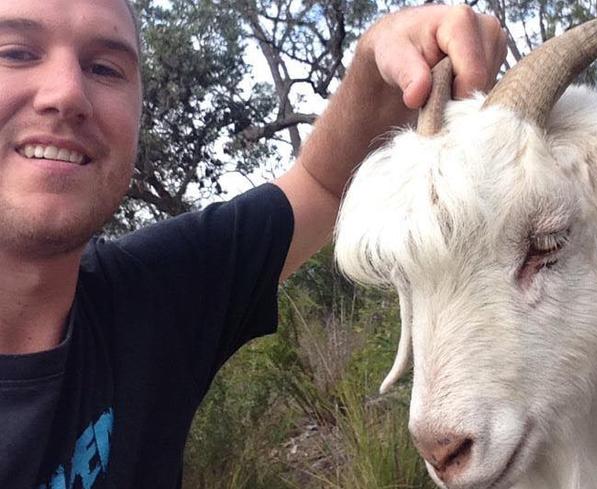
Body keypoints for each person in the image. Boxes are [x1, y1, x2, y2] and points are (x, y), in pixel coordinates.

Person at [0, 0, 506, 487]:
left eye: (105, 68)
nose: (67, 93)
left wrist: (377, 54)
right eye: (15, 53)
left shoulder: (149, 299)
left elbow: (323, 184)